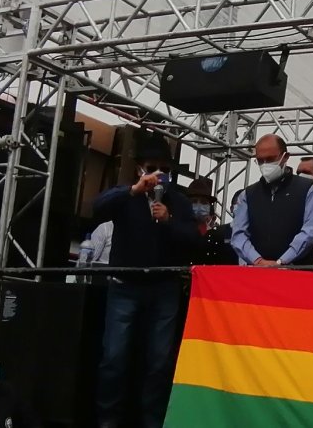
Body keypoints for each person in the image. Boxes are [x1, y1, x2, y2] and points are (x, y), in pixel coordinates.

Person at [91, 131, 199, 428]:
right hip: (124, 288)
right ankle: (108, 422)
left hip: (164, 291)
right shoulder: (126, 196)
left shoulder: (178, 200)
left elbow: (193, 239)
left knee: (159, 363)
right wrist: (134, 190)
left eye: (164, 168)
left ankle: (152, 422)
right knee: (114, 359)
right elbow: (97, 208)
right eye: (152, 167)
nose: (158, 174)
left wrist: (169, 222)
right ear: (140, 168)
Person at [230, 135, 313, 266]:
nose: (265, 164)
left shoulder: (308, 190)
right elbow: (238, 235)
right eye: (260, 160)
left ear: (285, 157)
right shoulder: (247, 195)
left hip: (298, 272)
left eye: (271, 159)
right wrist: (258, 260)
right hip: (259, 274)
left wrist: (281, 261)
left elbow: (310, 233)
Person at [188, 177, 235, 265]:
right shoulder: (179, 230)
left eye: (204, 202)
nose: (199, 205)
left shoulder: (217, 235)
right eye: (194, 201)